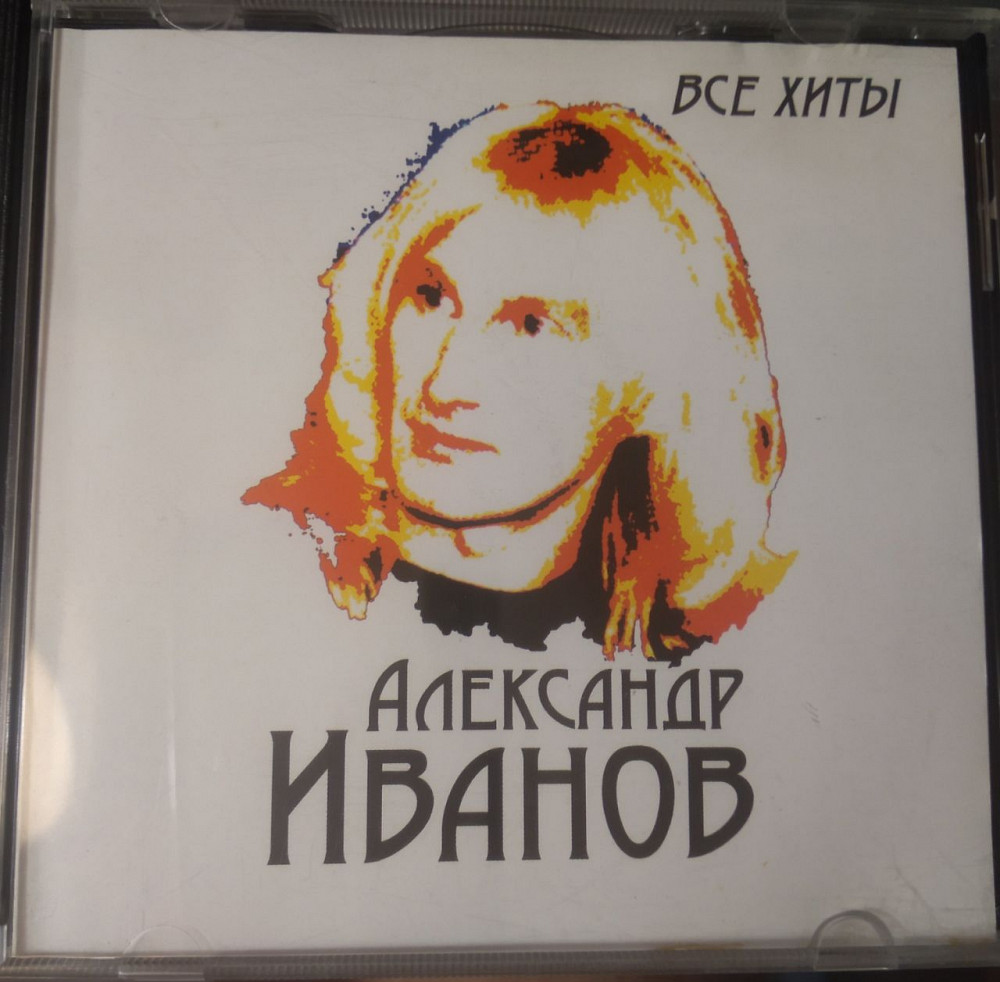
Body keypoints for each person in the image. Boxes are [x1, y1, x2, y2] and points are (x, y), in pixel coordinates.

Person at [244, 102, 794, 661]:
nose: (445, 382)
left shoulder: (727, 626)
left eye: (532, 326)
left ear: (652, 377)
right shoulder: (268, 560)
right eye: (431, 296)